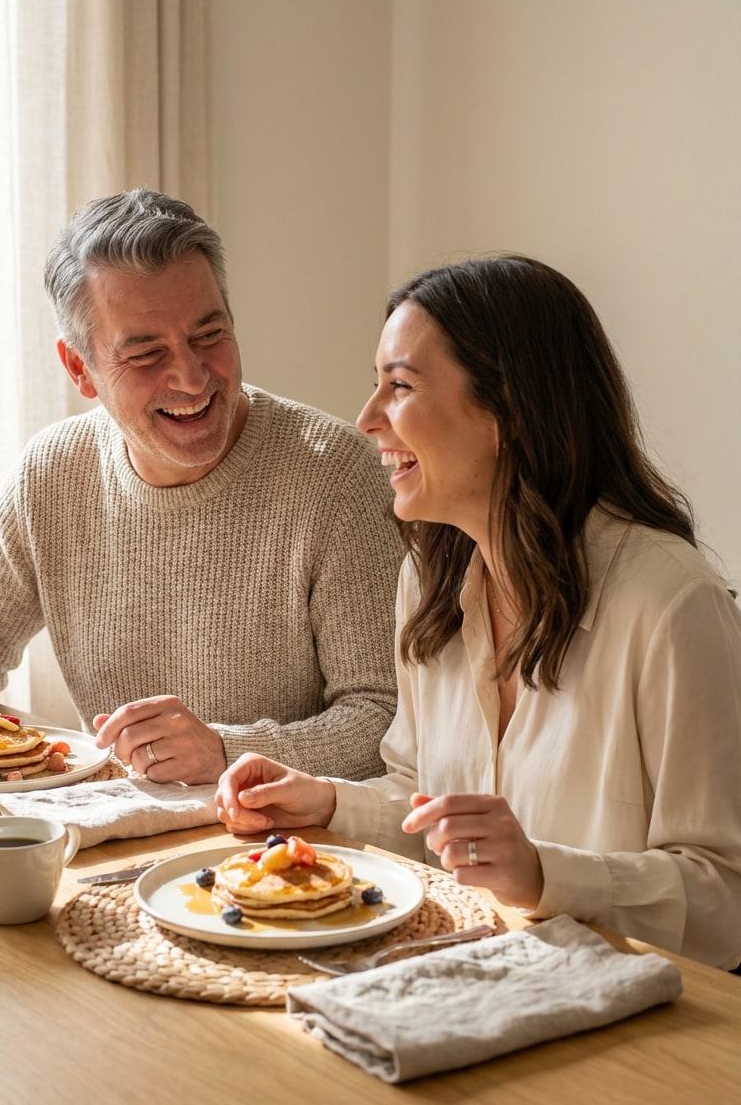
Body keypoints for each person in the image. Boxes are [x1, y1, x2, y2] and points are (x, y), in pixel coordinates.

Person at [216, 254, 741, 970]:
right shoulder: (427, 584)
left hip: (632, 1033)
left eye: (399, 386)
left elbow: (727, 899)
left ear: (507, 412)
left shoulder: (672, 605)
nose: (368, 419)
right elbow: (422, 802)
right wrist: (325, 805)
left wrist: (546, 875)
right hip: (476, 983)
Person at [0, 189, 403, 786]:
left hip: (294, 857)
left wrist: (224, 752)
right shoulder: (53, 473)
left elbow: (385, 722)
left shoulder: (333, 473)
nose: (191, 377)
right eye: (147, 352)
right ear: (80, 369)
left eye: (209, 334)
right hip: (114, 841)